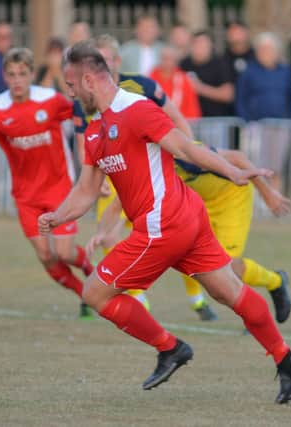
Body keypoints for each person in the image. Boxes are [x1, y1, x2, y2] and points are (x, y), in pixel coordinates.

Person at [39, 41, 291, 403]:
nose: (68, 92)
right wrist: (58, 216)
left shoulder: (137, 110)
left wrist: (233, 171)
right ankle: (286, 359)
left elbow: (185, 148)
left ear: (88, 80)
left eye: (70, 85)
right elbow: (87, 191)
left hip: (162, 225)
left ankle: (170, 348)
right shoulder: (95, 131)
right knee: (227, 290)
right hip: (185, 218)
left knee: (95, 293)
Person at [0, 47, 93, 317]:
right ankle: (86, 295)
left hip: (59, 187)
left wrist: (90, 158)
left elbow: (83, 116)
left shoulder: (51, 100)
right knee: (46, 257)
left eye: (22, 74)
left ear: (31, 74)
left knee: (63, 252)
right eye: (11, 74)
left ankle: (90, 272)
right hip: (26, 195)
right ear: (4, 76)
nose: (17, 80)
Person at [88, 143, 291, 323]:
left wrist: (268, 194)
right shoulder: (143, 166)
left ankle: (275, 282)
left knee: (227, 268)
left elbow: (237, 158)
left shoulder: (176, 152)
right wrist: (102, 233)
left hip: (230, 197)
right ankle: (199, 302)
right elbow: (119, 205)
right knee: (189, 254)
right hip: (194, 202)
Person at [73, 36, 194, 313]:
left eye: (103, 60)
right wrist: (92, 179)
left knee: (175, 236)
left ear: (116, 61)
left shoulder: (142, 86)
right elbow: (84, 142)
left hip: (147, 173)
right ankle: (137, 295)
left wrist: (187, 154)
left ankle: (196, 294)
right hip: (111, 175)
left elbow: (176, 118)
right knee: (109, 234)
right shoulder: (85, 97)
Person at [235, 32, 291, 191]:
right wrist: (246, 120)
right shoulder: (249, 70)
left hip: (280, 125)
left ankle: (275, 199)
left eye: (268, 50)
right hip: (255, 125)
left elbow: (290, 96)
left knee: (276, 166)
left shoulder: (285, 71)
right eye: (261, 50)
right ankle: (257, 203)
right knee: (255, 164)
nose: (265, 53)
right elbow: (241, 96)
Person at [150, 45, 202, 120]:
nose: (167, 62)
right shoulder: (151, 77)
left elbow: (192, 107)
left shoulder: (183, 78)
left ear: (176, 61)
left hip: (180, 125)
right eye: (164, 58)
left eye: (171, 59)